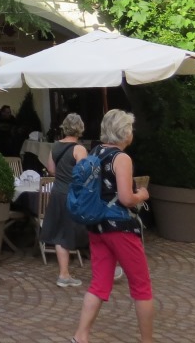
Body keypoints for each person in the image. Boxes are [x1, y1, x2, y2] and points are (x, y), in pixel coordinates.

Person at [70, 109, 153, 343]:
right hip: (120, 227)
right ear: (125, 132)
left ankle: (81, 335)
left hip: (96, 226)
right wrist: (143, 195)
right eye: (131, 128)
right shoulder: (121, 158)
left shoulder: (95, 152)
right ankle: (147, 340)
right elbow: (126, 198)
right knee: (141, 286)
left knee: (99, 283)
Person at [41, 113, 88, 287]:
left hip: (57, 192)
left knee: (61, 233)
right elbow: (83, 174)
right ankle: (66, 274)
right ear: (80, 128)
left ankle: (64, 273)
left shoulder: (55, 146)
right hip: (73, 194)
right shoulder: (79, 149)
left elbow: (51, 169)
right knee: (75, 230)